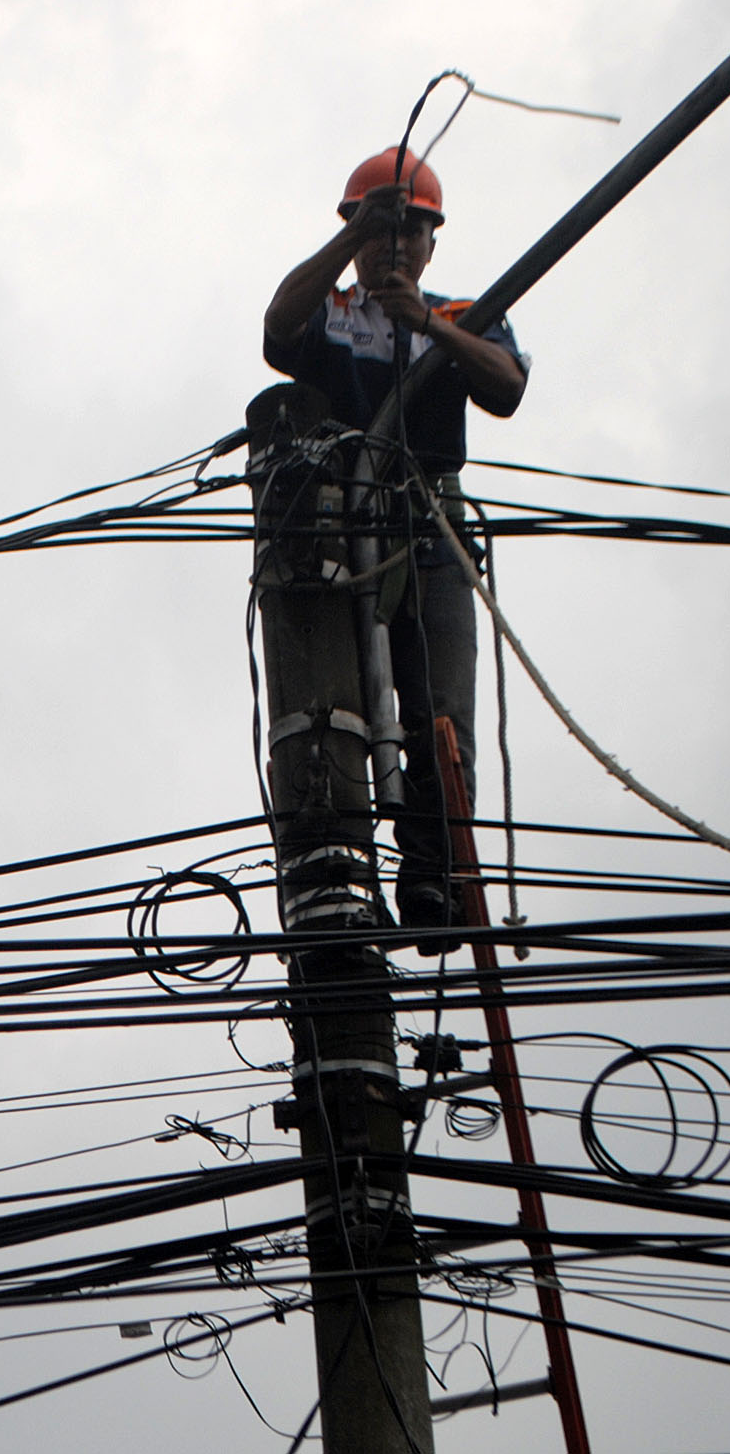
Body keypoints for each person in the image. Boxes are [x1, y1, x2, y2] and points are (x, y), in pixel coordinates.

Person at [260, 147, 529, 944]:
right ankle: (339, 878)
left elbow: (507, 385)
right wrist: (349, 245)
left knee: (439, 718)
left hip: (430, 535)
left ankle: (436, 879)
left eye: (412, 230)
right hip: (336, 536)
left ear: (433, 244)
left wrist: (427, 327)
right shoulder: (334, 312)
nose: (397, 245)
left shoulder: (460, 316)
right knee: (335, 716)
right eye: (382, 229)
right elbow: (278, 330)